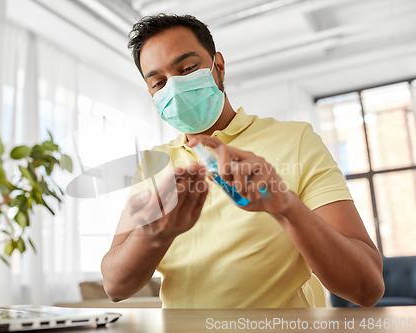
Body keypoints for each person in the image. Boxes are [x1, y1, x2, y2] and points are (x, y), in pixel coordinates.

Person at [101, 14, 384, 308]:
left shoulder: (295, 140)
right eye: (159, 82)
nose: (174, 87)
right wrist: (154, 234)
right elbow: (114, 286)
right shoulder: (152, 165)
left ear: (218, 66)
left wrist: (286, 207)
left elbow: (367, 288)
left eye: (188, 68)